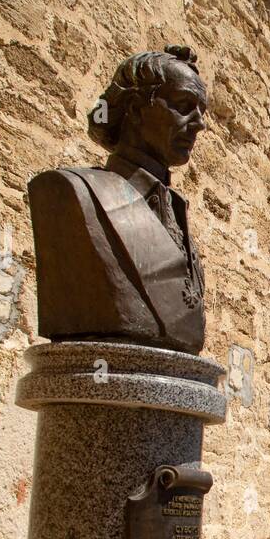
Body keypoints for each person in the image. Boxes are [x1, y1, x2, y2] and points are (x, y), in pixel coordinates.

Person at [28, 45, 207, 353]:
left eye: (201, 111)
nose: (199, 124)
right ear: (135, 108)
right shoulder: (73, 191)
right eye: (183, 105)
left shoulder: (178, 212)